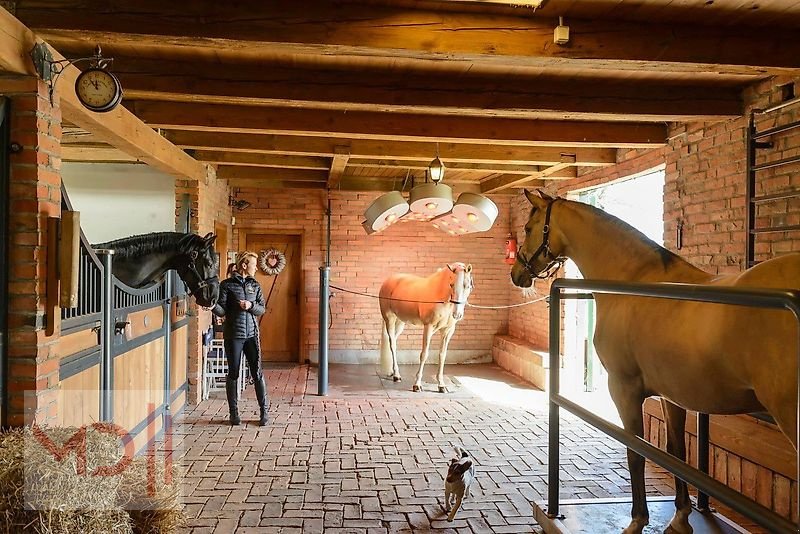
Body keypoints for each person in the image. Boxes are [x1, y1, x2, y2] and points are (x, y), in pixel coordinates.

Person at [212, 251, 268, 426]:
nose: (256, 268)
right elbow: (222, 310)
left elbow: (262, 309)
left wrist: (250, 305)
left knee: (257, 373)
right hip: (233, 336)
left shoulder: (255, 285)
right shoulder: (226, 285)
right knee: (234, 373)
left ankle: (264, 412)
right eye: (253, 264)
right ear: (244, 265)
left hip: (252, 335)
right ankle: (233, 413)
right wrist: (212, 306)